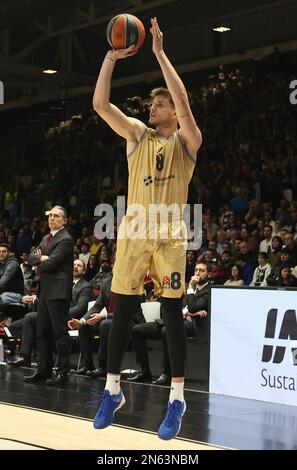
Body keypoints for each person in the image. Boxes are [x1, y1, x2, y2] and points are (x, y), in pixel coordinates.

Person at [92, 17, 202, 440]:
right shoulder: (137, 136)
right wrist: (110, 57)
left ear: (172, 112)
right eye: (151, 106)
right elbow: (101, 105)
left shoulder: (187, 140)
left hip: (171, 232)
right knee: (121, 310)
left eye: (157, 105)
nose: (150, 109)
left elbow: (185, 102)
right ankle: (112, 390)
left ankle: (177, 399)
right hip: (135, 230)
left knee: (172, 313)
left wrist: (158, 53)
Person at [9, 259, 92, 368]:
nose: (75, 267)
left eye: (79, 265)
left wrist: (58, 315)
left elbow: (80, 308)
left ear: (84, 271)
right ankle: (36, 356)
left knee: (30, 318)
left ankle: (29, 357)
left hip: (69, 320)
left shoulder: (85, 286)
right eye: (74, 265)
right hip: (52, 315)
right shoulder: (62, 282)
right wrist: (37, 300)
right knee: (14, 326)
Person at [24, 206, 74, 385]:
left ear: (64, 220)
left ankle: (62, 372)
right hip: (45, 291)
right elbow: (30, 258)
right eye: (51, 215)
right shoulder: (46, 237)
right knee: (42, 331)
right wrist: (41, 259)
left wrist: (41, 261)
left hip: (58, 292)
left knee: (60, 333)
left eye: (57, 216)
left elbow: (51, 264)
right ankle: (43, 370)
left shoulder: (66, 239)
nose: (52, 218)